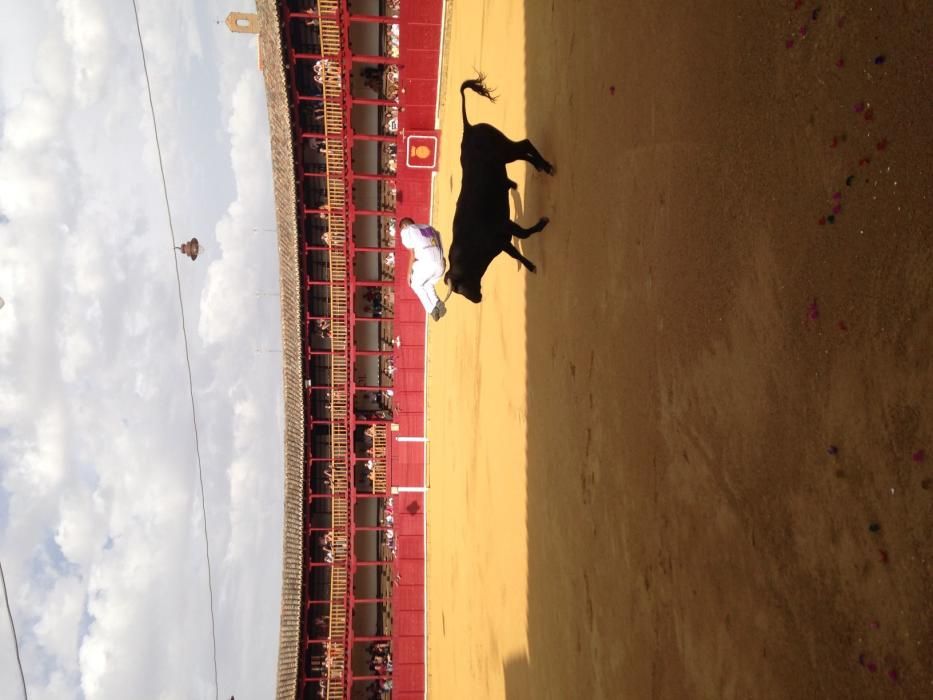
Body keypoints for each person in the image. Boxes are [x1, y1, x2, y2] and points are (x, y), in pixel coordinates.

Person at [399, 217, 447, 320]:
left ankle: (431, 309)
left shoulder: (407, 230)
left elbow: (412, 255)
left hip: (428, 264)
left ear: (404, 226)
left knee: (415, 284)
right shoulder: (429, 227)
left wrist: (408, 275)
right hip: (440, 265)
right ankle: (436, 302)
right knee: (427, 283)